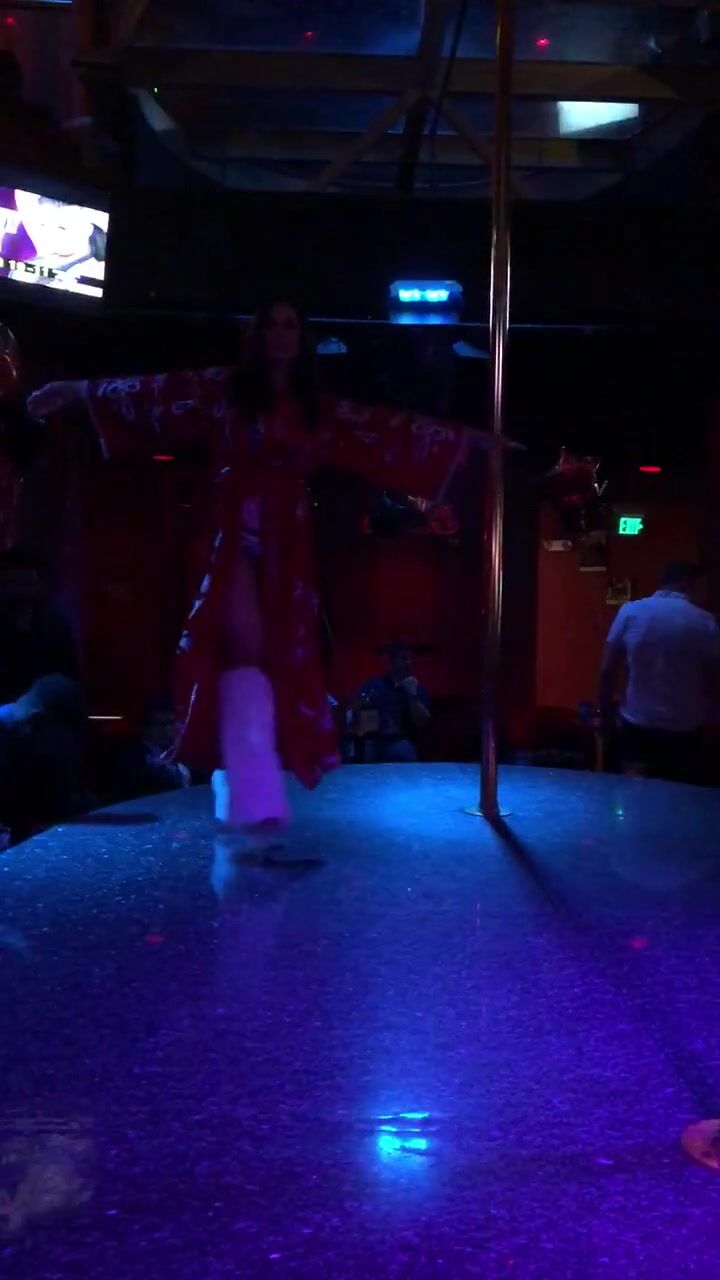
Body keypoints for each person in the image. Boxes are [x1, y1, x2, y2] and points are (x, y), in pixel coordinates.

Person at [27, 300, 506, 859]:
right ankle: (250, 798)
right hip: (229, 532)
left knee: (277, 660)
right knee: (243, 651)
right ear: (257, 335)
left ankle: (244, 793)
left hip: (287, 542)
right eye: (271, 325)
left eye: (290, 325)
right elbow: (157, 391)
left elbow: (382, 429)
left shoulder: (315, 408)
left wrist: (472, 442)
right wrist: (78, 391)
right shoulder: (223, 390)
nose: (280, 334)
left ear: (301, 338)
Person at [599, 561, 720, 783]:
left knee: (635, 792)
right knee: (680, 794)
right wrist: (713, 719)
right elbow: (713, 679)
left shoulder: (629, 612)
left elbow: (607, 668)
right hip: (685, 728)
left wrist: (606, 716)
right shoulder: (704, 621)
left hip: (637, 722)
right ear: (688, 584)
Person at [0, 546, 85, 836]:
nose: (19, 591)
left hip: (42, 716)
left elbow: (67, 679)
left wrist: (35, 707)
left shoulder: (54, 627)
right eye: (13, 582)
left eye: (27, 583)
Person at [353, 642, 432, 763]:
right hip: (374, 740)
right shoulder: (373, 686)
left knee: (402, 748)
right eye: (404, 658)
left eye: (411, 659)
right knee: (367, 749)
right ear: (391, 662)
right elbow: (357, 713)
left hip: (401, 740)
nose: (409, 662)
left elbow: (423, 721)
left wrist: (413, 695)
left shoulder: (416, 687)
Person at [110, 695, 193, 803]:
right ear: (145, 729)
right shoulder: (130, 759)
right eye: (159, 724)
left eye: (171, 722)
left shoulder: (183, 754)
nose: (167, 729)